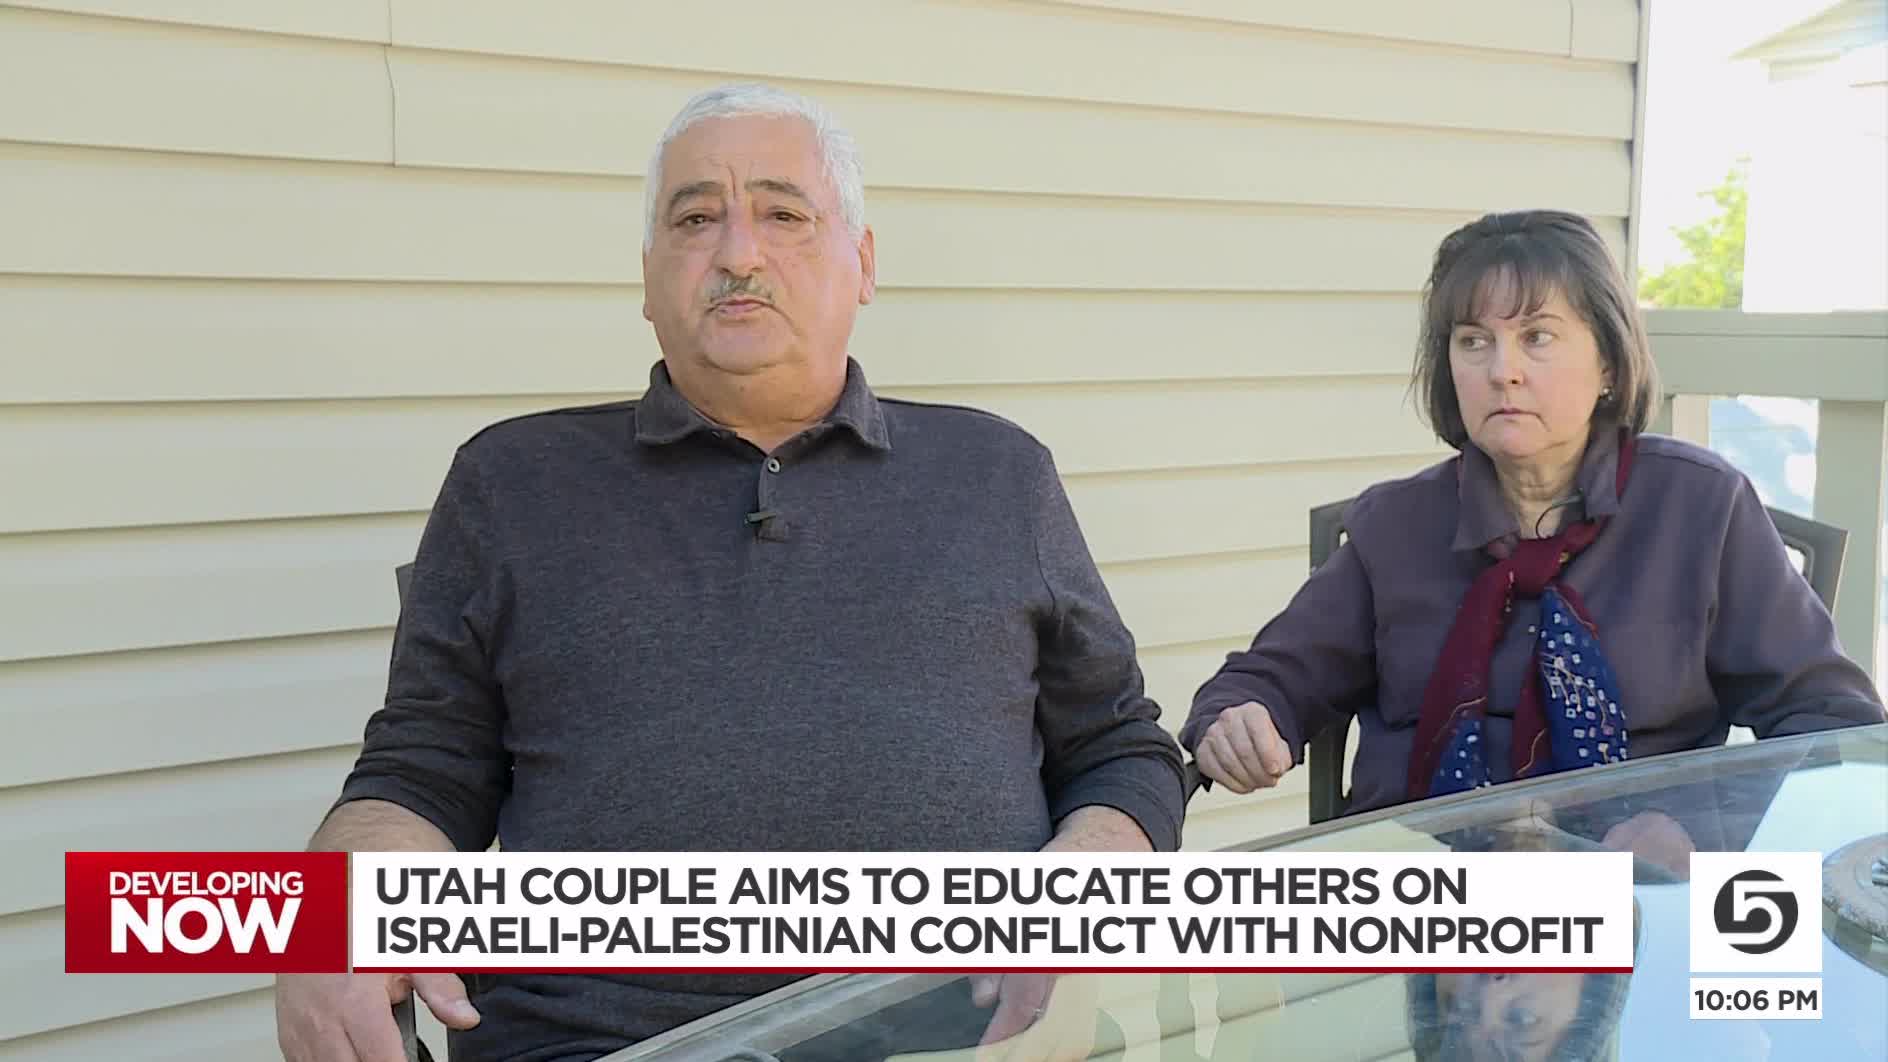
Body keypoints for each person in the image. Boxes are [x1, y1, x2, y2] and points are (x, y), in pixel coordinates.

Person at [276, 82, 1186, 1062]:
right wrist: (332, 913)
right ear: (647, 277)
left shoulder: (998, 474)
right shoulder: (513, 485)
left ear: (862, 263)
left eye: (784, 215)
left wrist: (1080, 882)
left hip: (965, 1039)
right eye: (695, 218)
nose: (739, 254)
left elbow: (1120, 748)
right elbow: (421, 772)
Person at [1182, 209, 1885, 856]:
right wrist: (1242, 717)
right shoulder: (1394, 525)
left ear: (1608, 362)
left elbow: (1833, 721)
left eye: (1537, 337)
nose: (1502, 371)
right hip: (1418, 893)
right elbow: (1271, 677)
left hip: (1634, 893)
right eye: (1473, 341)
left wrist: (1700, 829)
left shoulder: (1700, 507)